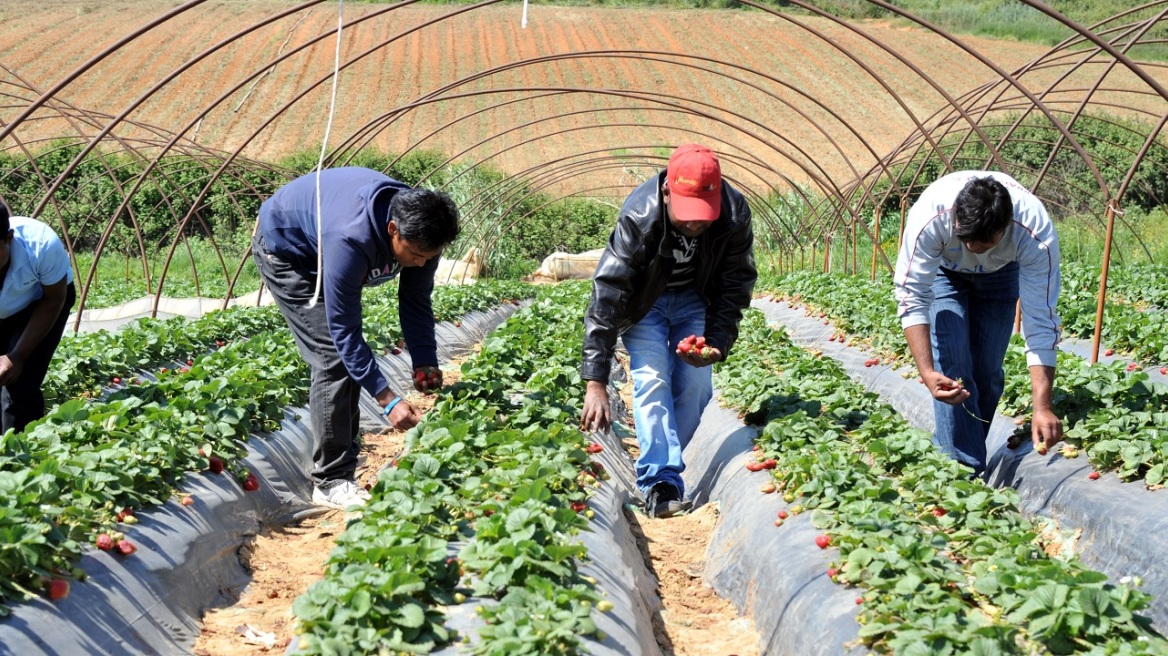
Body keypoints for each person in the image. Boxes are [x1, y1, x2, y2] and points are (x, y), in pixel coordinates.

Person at [253, 167, 459, 509]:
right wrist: (387, 399)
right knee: (332, 356)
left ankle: (343, 458)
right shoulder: (350, 237)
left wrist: (425, 360)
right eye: (416, 254)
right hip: (290, 253)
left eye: (430, 256)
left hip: (325, 238)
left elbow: (416, 300)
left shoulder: (423, 227)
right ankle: (331, 478)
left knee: (345, 358)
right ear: (393, 230)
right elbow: (343, 331)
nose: (422, 263)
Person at [580, 144, 757, 518]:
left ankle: (664, 455)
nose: (696, 225)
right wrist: (595, 379)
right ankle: (660, 482)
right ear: (666, 192)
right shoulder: (639, 216)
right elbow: (608, 293)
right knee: (652, 378)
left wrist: (718, 343)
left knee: (696, 386)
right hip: (646, 304)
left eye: (704, 216)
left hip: (695, 300)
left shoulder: (735, 214)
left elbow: (735, 283)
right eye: (689, 215)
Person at [894, 171, 1063, 477]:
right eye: (965, 237)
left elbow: (1041, 320)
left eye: (984, 241)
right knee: (953, 367)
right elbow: (912, 294)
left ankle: (965, 456)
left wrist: (1042, 406)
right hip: (945, 276)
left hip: (1002, 277)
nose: (972, 247)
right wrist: (927, 372)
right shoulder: (931, 215)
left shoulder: (1033, 231)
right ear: (955, 219)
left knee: (987, 374)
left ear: (1005, 225)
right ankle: (960, 472)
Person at [0, 198, 77, 434]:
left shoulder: (40, 244)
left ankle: (17, 453)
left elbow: (54, 299)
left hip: (41, 302)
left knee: (17, 384)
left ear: (9, 238)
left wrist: (19, 356)